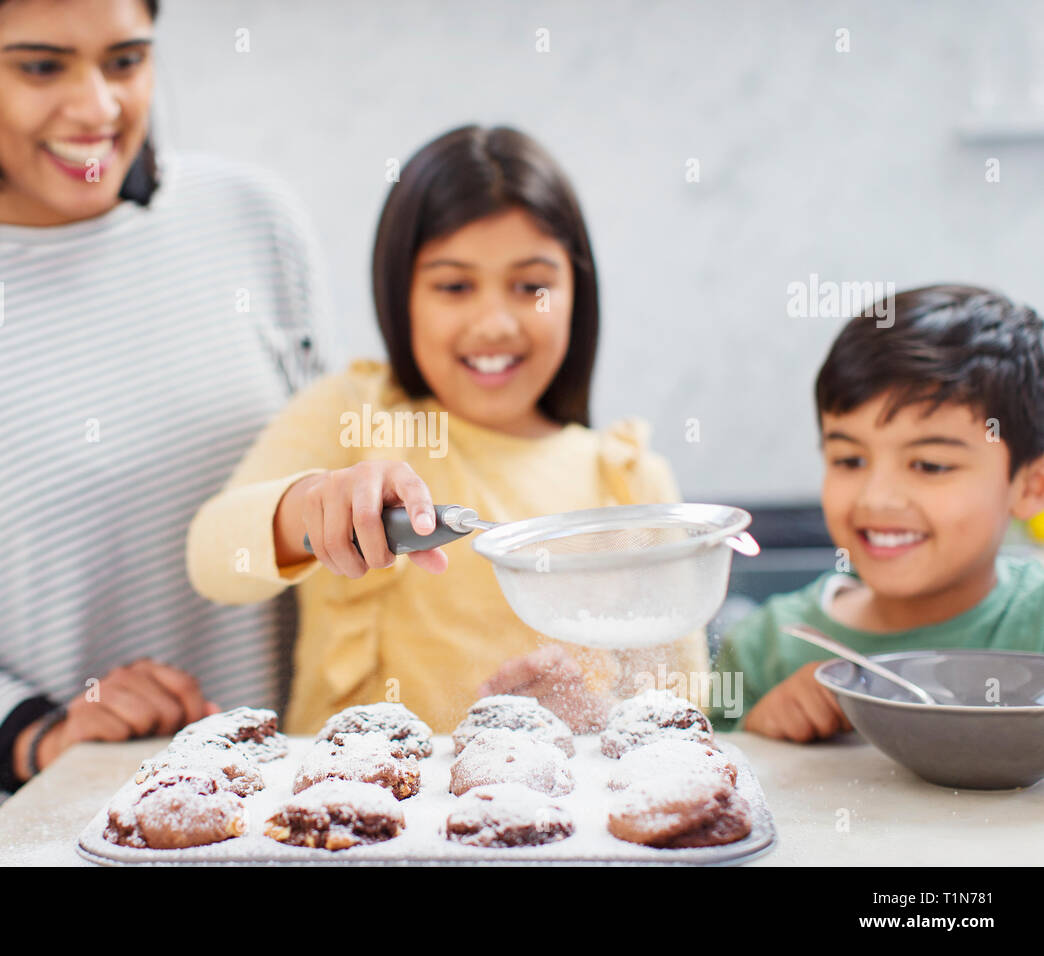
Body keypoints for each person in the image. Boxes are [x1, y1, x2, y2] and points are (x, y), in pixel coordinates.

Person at [0, 0, 332, 834]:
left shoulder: (254, 222)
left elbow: (313, 484)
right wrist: (44, 732)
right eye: (41, 67)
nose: (97, 109)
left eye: (124, 60)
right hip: (37, 834)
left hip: (269, 826)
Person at [187, 124, 708, 736]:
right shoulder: (352, 415)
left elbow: (684, 715)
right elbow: (211, 559)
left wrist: (592, 725)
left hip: (552, 825)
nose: (493, 323)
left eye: (531, 286)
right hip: (347, 819)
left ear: (577, 291)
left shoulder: (629, 482)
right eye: (454, 286)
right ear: (399, 295)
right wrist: (311, 505)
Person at [711, 285, 1044, 740]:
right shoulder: (765, 647)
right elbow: (708, 773)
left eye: (929, 465)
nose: (877, 499)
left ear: (1031, 487)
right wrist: (760, 732)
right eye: (849, 460)